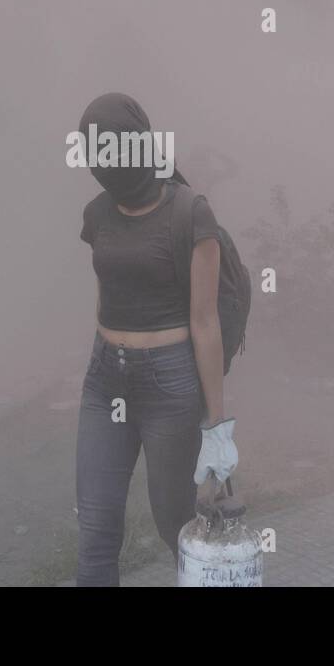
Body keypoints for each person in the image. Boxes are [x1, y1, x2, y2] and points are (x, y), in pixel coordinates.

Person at [74, 92, 238, 586]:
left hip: (170, 384)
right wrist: (107, 356)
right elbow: (105, 297)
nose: (104, 163)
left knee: (178, 527)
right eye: (93, 151)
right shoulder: (97, 214)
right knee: (96, 530)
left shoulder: (191, 213)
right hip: (105, 383)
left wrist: (217, 428)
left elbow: (205, 323)